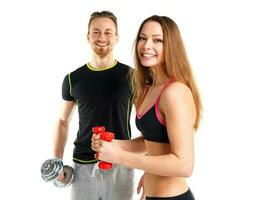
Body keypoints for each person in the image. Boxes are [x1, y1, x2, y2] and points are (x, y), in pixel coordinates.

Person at [92, 15, 202, 200]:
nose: (146, 45)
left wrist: (120, 157)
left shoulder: (175, 92)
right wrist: (113, 145)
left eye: (157, 40)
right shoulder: (149, 88)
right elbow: (150, 142)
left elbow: (184, 165)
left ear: (171, 47)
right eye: (142, 38)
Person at [53, 11, 134, 200]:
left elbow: (149, 123)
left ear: (116, 37)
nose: (102, 37)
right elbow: (62, 121)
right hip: (83, 165)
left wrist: (150, 170)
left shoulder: (133, 77)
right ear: (88, 36)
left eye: (108, 32)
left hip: (122, 163)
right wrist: (57, 161)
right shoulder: (73, 79)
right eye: (96, 32)